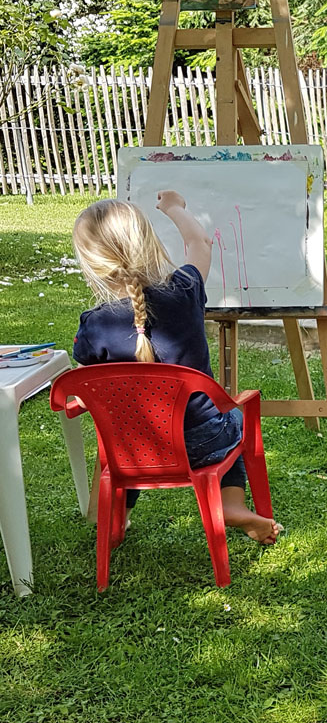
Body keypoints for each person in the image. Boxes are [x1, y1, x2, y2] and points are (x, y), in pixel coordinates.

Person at [71, 193, 281, 543]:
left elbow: (82, 388)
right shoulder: (184, 291)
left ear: (92, 263)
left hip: (136, 449)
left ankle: (117, 520)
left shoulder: (94, 325)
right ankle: (231, 503)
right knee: (235, 416)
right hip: (205, 439)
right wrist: (174, 208)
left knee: (125, 430)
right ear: (148, 243)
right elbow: (200, 243)